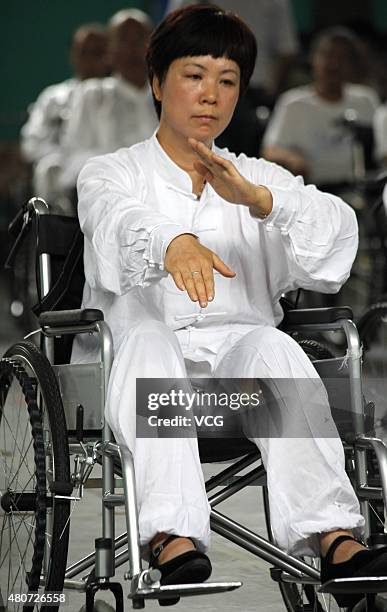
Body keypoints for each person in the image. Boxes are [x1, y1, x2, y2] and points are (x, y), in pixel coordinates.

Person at [72, 5, 387, 608]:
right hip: (143, 383)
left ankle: (334, 538)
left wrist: (264, 202)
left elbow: (337, 239)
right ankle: (171, 536)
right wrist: (174, 243)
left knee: (272, 343)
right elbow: (117, 221)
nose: (210, 95)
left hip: (234, 399)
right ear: (158, 83)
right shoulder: (112, 173)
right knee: (149, 339)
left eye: (227, 80)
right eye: (194, 75)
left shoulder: (256, 177)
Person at [262, 27, 378, 188]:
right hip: (312, 190)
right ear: (313, 59)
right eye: (328, 55)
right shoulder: (292, 103)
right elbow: (269, 150)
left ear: (353, 65)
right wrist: (292, 159)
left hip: (360, 188)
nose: (334, 64)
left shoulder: (365, 99)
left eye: (343, 58)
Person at [58, 8, 158, 193]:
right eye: (124, 40)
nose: (133, 48)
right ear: (109, 51)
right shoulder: (92, 95)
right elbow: (73, 158)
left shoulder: (168, 96)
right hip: (111, 195)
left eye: (139, 39)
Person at [20, 23, 109, 205]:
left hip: (110, 172)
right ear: (73, 55)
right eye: (84, 52)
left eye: (97, 52)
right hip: (64, 178)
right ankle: (53, 229)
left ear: (111, 56)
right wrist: (66, 159)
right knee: (50, 169)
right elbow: (31, 143)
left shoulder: (122, 97)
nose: (91, 60)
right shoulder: (54, 97)